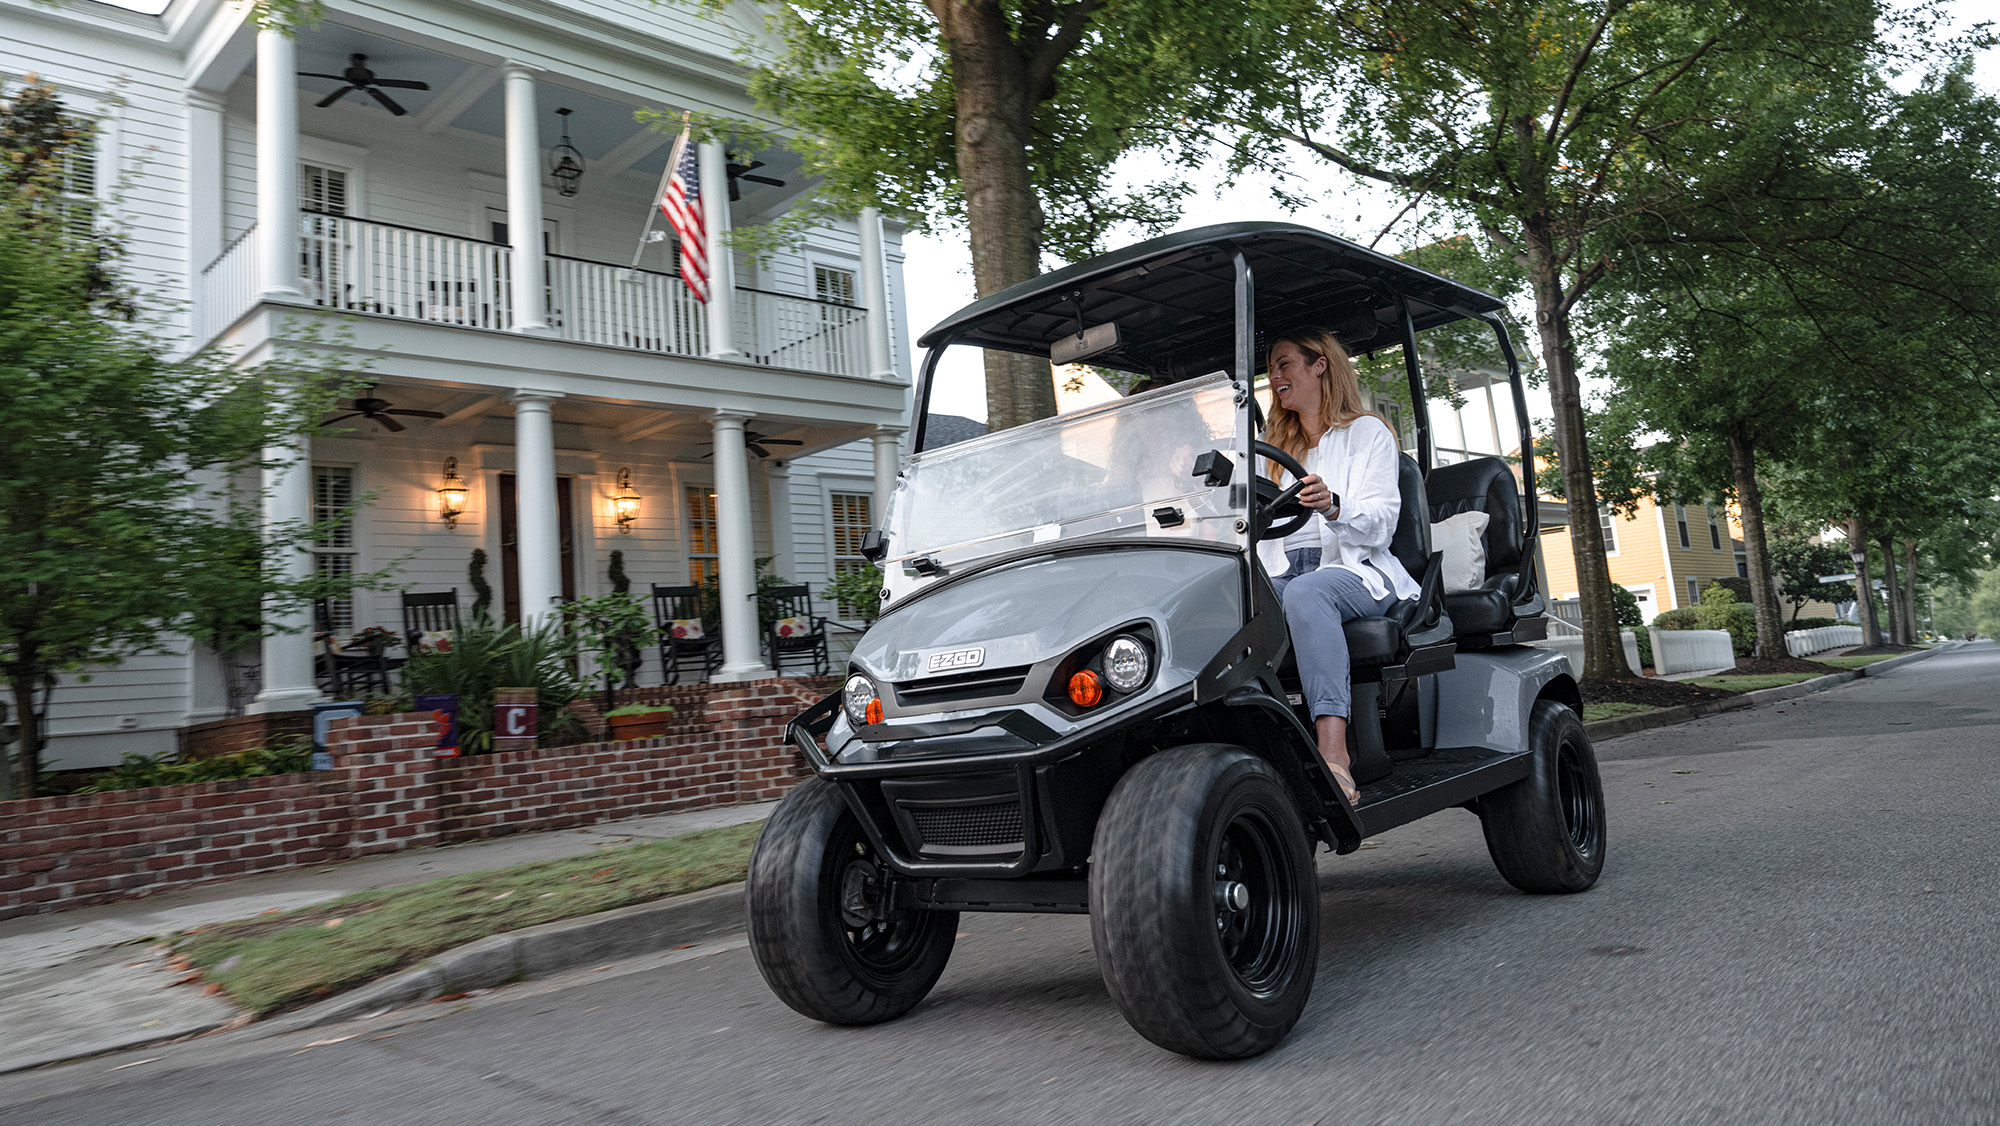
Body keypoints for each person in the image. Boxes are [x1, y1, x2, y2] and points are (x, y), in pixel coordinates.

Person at [1254, 329, 1419, 805]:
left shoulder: (1367, 433)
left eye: (1284, 363)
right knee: (1228, 603)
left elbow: (1382, 524)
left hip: (1357, 567)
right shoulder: (1272, 448)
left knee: (1309, 592)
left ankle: (1334, 754)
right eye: (1271, 368)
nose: (1275, 375)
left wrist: (1334, 506)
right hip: (1286, 568)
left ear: (1319, 365)